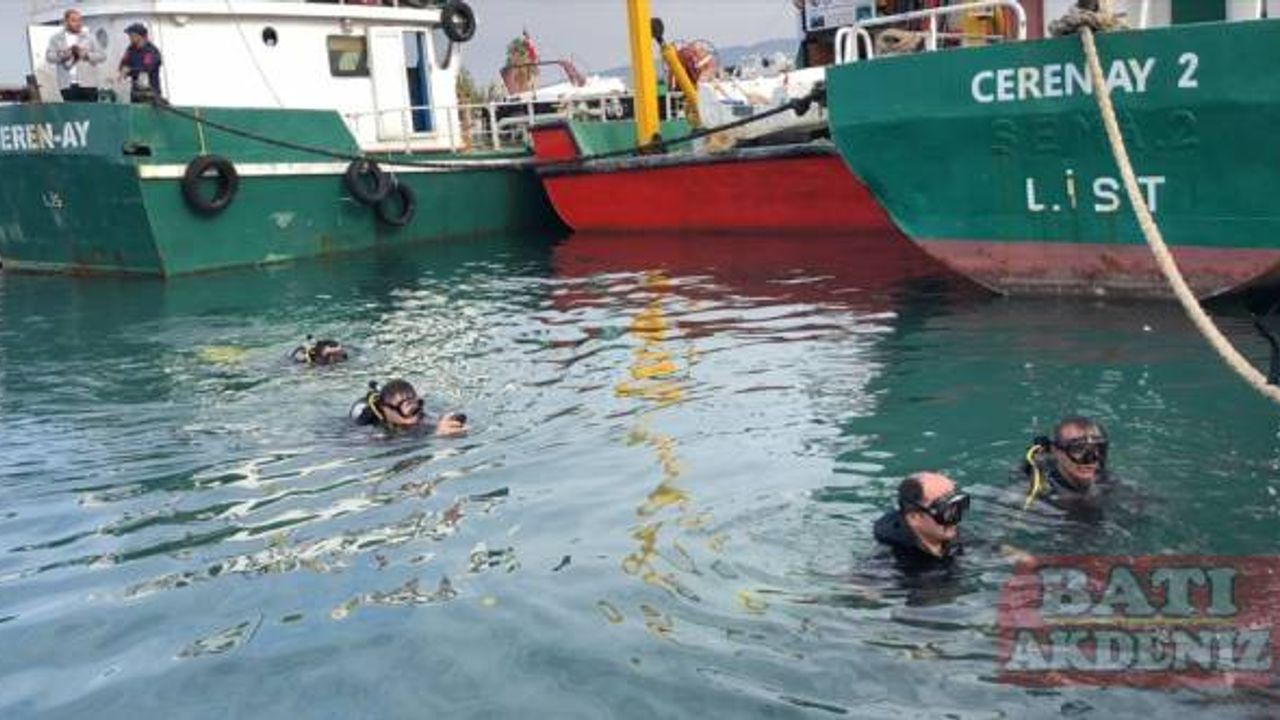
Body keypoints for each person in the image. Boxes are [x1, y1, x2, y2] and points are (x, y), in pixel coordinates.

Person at [873, 472, 970, 571]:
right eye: (944, 509)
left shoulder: (954, 536)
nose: (956, 516)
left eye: (958, 505)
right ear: (915, 517)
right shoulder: (893, 565)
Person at [1019, 416, 1111, 509]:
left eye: (1097, 448)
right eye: (1078, 449)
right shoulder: (1037, 494)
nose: (1090, 459)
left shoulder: (1107, 482)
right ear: (1056, 451)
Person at [350, 379, 467, 436]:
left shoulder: (419, 415)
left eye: (417, 408)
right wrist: (436, 435)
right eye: (410, 411)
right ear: (386, 410)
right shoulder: (372, 428)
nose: (416, 416)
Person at [46, 9, 107, 102]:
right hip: (67, 85)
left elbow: (102, 56)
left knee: (90, 113)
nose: (78, 23)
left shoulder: (90, 37)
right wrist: (63, 55)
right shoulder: (56, 38)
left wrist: (87, 55)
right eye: (74, 20)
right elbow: (49, 57)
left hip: (88, 84)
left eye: (79, 20)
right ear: (66, 22)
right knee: (72, 114)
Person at [118, 23, 163, 102]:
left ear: (139, 36)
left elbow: (147, 68)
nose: (130, 38)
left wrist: (130, 70)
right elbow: (123, 63)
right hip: (136, 93)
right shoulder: (131, 49)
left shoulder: (151, 51)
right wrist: (123, 70)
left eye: (132, 35)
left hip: (150, 93)